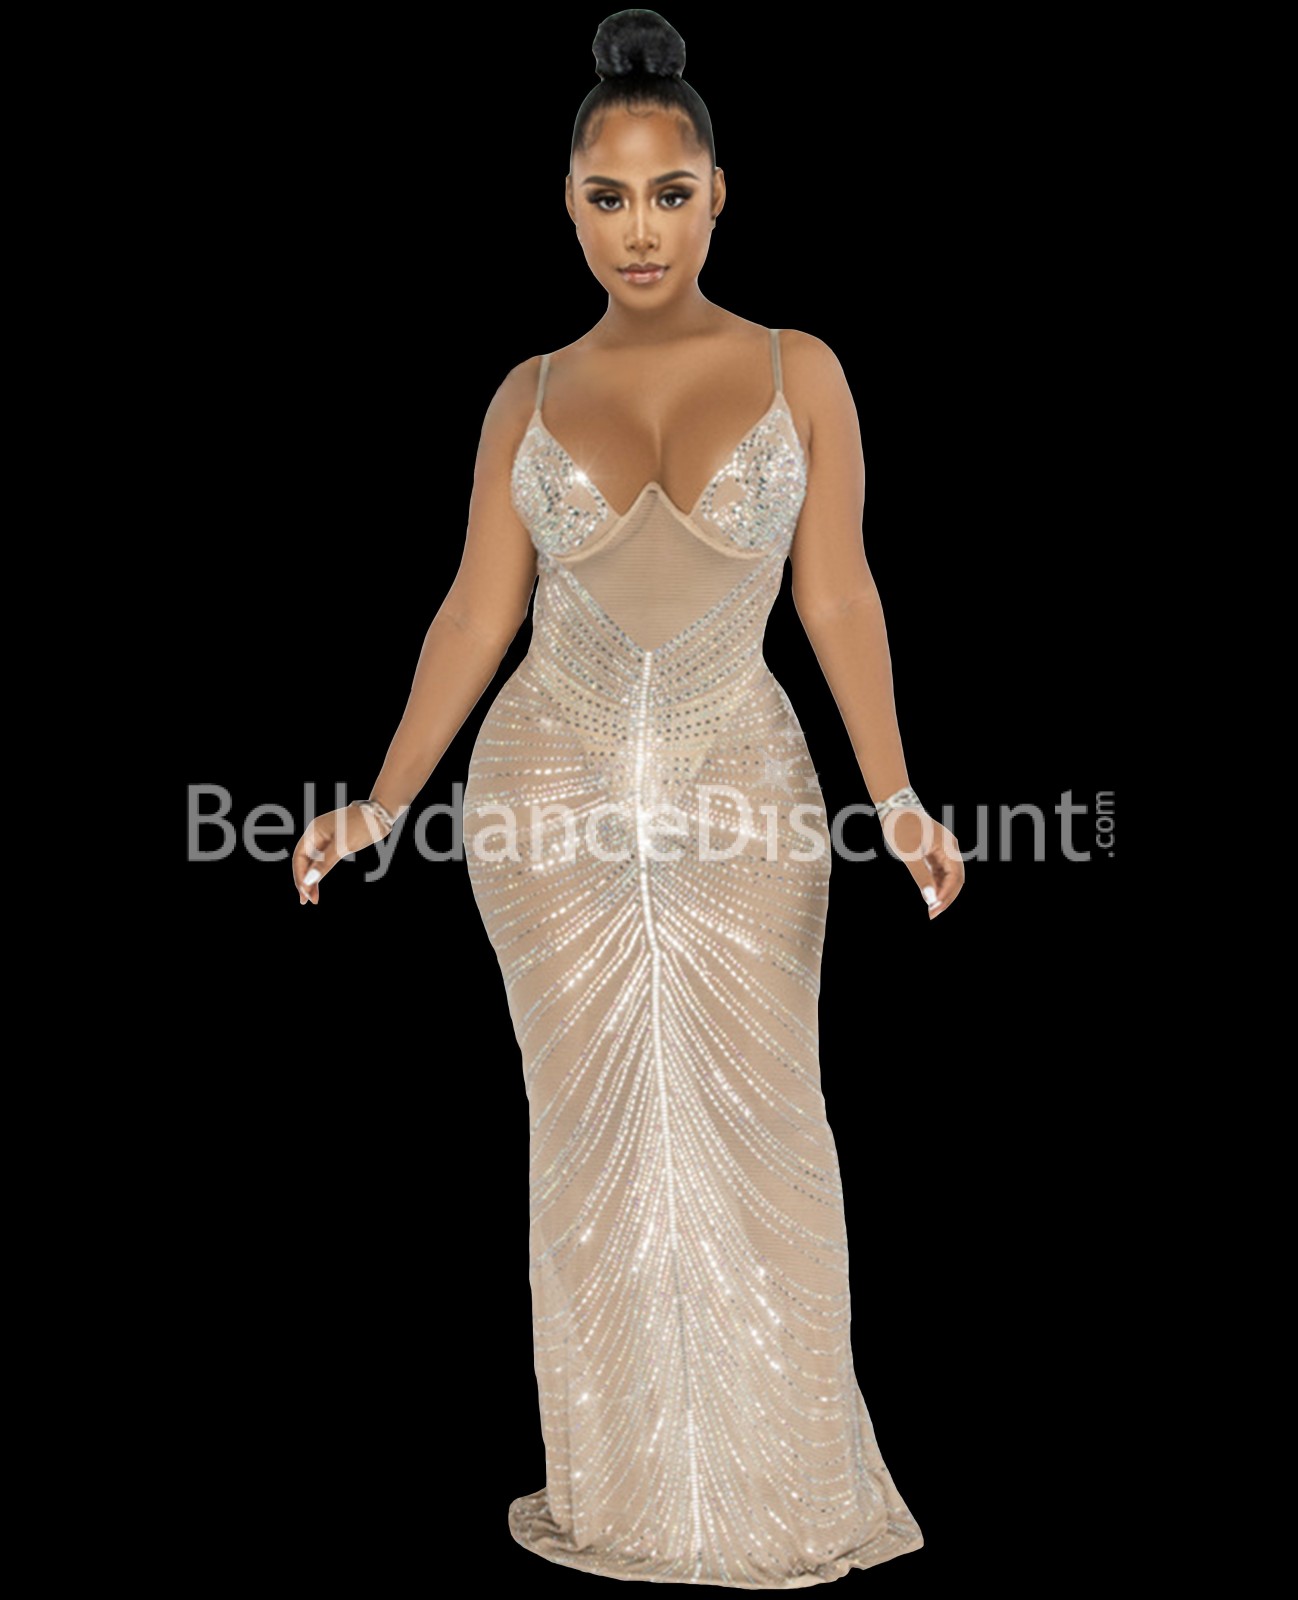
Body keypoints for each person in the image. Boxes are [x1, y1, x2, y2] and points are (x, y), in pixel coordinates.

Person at [292, 7, 961, 1586]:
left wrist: (897, 796)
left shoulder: (798, 368)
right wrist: (378, 803)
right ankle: (629, 1498)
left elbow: (839, 594)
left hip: (743, 795)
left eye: (668, 193)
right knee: (591, 1150)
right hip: (546, 799)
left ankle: (778, 1499)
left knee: (770, 1133)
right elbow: (476, 613)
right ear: (568, 206)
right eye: (608, 197)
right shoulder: (524, 394)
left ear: (719, 194)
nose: (639, 229)